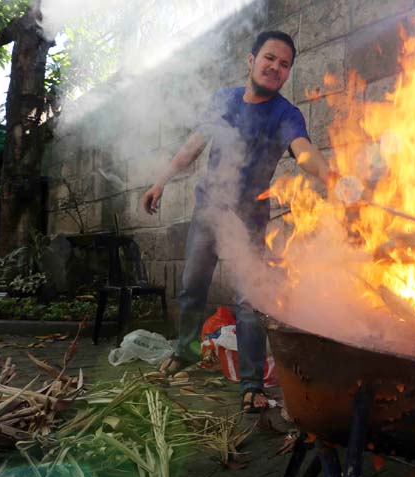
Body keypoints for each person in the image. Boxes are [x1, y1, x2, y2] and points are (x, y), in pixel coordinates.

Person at [142, 31, 332, 412]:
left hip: (249, 221)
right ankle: (186, 352)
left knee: (249, 301)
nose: (275, 67)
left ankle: (252, 383)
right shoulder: (224, 100)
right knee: (193, 288)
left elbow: (304, 151)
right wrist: (160, 181)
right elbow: (192, 148)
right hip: (208, 212)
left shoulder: (285, 114)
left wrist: (332, 179)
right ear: (251, 60)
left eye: (284, 64)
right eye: (269, 58)